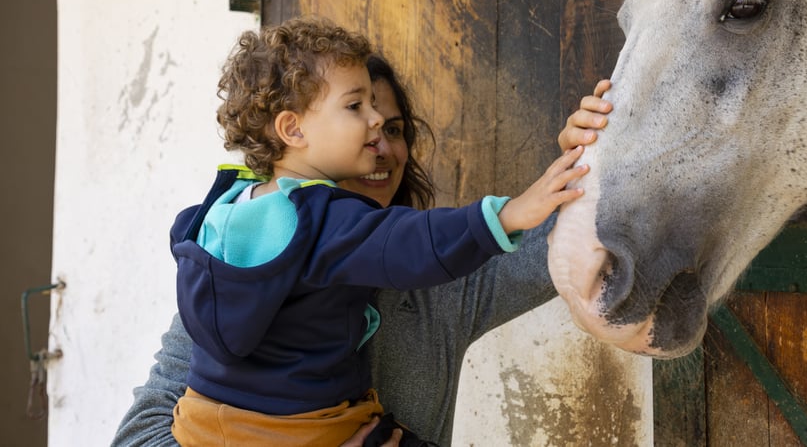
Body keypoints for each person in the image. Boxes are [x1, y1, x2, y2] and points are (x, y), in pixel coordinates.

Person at [110, 43, 614, 447]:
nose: (379, 139)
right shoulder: (239, 274)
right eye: (356, 111)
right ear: (297, 134)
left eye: (393, 128)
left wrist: (592, 156)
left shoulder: (449, 287)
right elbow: (140, 437)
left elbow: (587, 236)